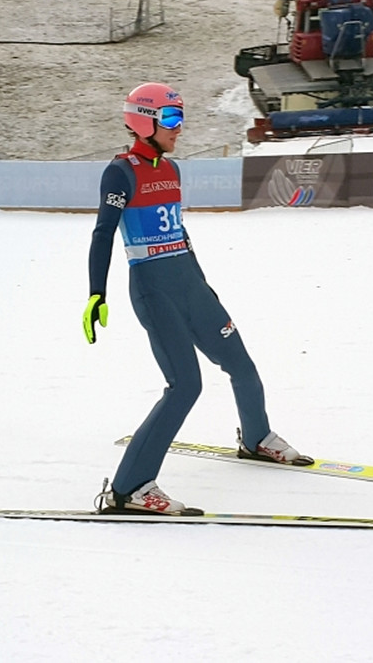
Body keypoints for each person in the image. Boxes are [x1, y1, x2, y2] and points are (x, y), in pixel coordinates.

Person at [86, 82, 312, 515]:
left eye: (180, 118)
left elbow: (179, 233)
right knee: (186, 385)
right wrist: (97, 293)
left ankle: (257, 439)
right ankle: (128, 489)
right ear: (143, 120)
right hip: (154, 289)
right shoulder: (121, 172)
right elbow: (102, 234)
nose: (179, 128)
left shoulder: (171, 170)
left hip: (189, 283)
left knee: (241, 364)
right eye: (171, 119)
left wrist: (201, 283)